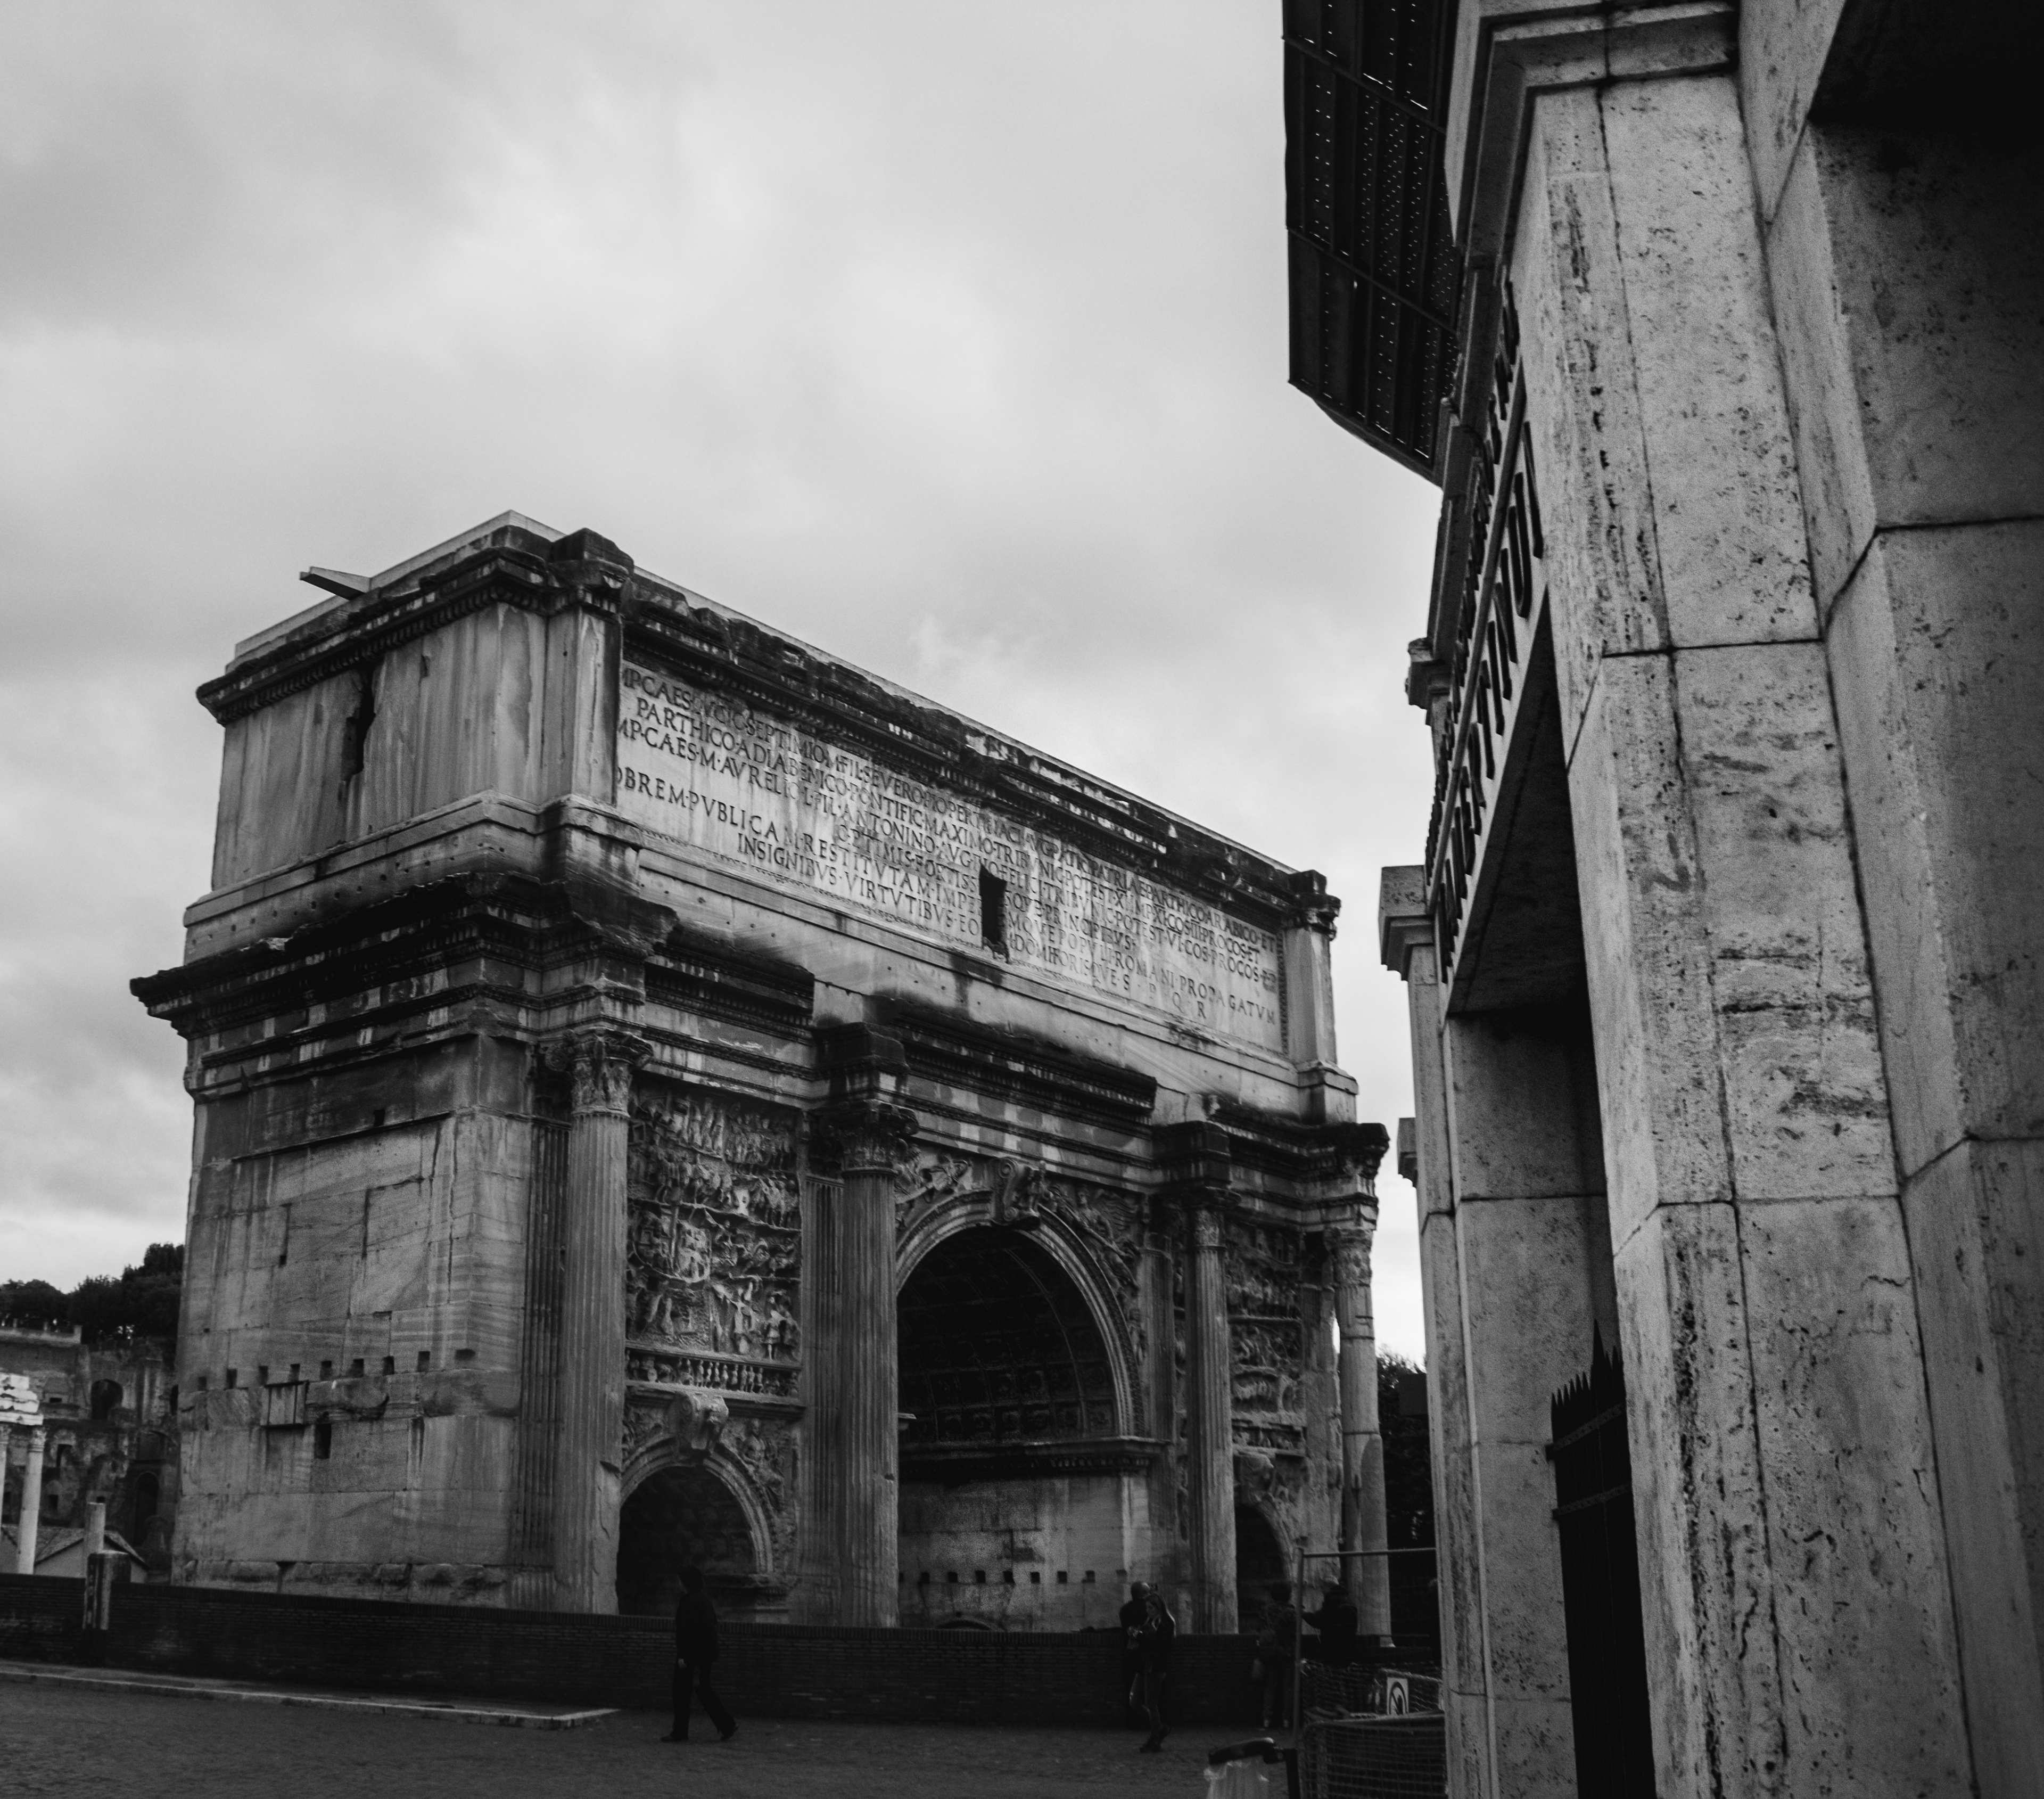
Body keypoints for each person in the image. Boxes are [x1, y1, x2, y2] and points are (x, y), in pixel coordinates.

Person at [664, 1564, 737, 1743]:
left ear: (686, 1583)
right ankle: (726, 1725)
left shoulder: (689, 1602)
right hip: (705, 1655)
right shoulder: (704, 1600)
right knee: (704, 1690)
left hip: (692, 1656)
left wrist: (683, 1656)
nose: (678, 1583)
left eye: (680, 1580)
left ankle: (680, 1732)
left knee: (681, 1693)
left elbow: (688, 1632)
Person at [1134, 1588, 1175, 1753]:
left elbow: (1161, 1645)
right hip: (1145, 1666)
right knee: (1135, 1702)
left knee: (1151, 1704)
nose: (1148, 1611)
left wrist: (1141, 1636)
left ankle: (1155, 1738)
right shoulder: (1150, 1622)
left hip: (1156, 1667)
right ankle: (1159, 1728)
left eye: (1150, 1608)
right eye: (1147, 1608)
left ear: (1159, 1608)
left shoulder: (1165, 1623)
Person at [1256, 1581, 1297, 1731]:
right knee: (1289, 1688)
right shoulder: (1292, 1612)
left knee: (1270, 1687)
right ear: (1288, 1595)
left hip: (1271, 1653)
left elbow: (1260, 1630)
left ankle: (1267, 1720)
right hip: (1288, 1654)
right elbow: (1295, 1634)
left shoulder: (1265, 1611)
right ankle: (1287, 1720)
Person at [1304, 1578, 1358, 1666]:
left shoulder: (1333, 1601)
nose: (1321, 1591)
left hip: (1333, 1650)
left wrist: (1304, 1614)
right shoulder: (1348, 1600)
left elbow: (1319, 1621)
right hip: (1349, 1650)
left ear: (1329, 1587)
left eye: (1322, 1587)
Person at [1119, 1582, 1150, 1723]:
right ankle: (1148, 1721)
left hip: (1130, 1653)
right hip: (1147, 1654)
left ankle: (1133, 1721)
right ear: (1145, 1593)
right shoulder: (1150, 1610)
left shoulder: (1124, 1610)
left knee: (1131, 1689)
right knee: (1149, 1691)